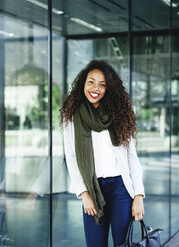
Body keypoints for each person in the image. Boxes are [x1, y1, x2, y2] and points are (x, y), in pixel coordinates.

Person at [60, 60, 145, 247]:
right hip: (92, 189)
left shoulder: (118, 115)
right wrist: (84, 194)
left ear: (108, 89)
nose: (95, 88)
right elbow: (71, 158)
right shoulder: (72, 115)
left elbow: (132, 157)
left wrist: (138, 195)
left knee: (123, 244)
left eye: (102, 84)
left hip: (120, 188)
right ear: (83, 83)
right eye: (91, 81)